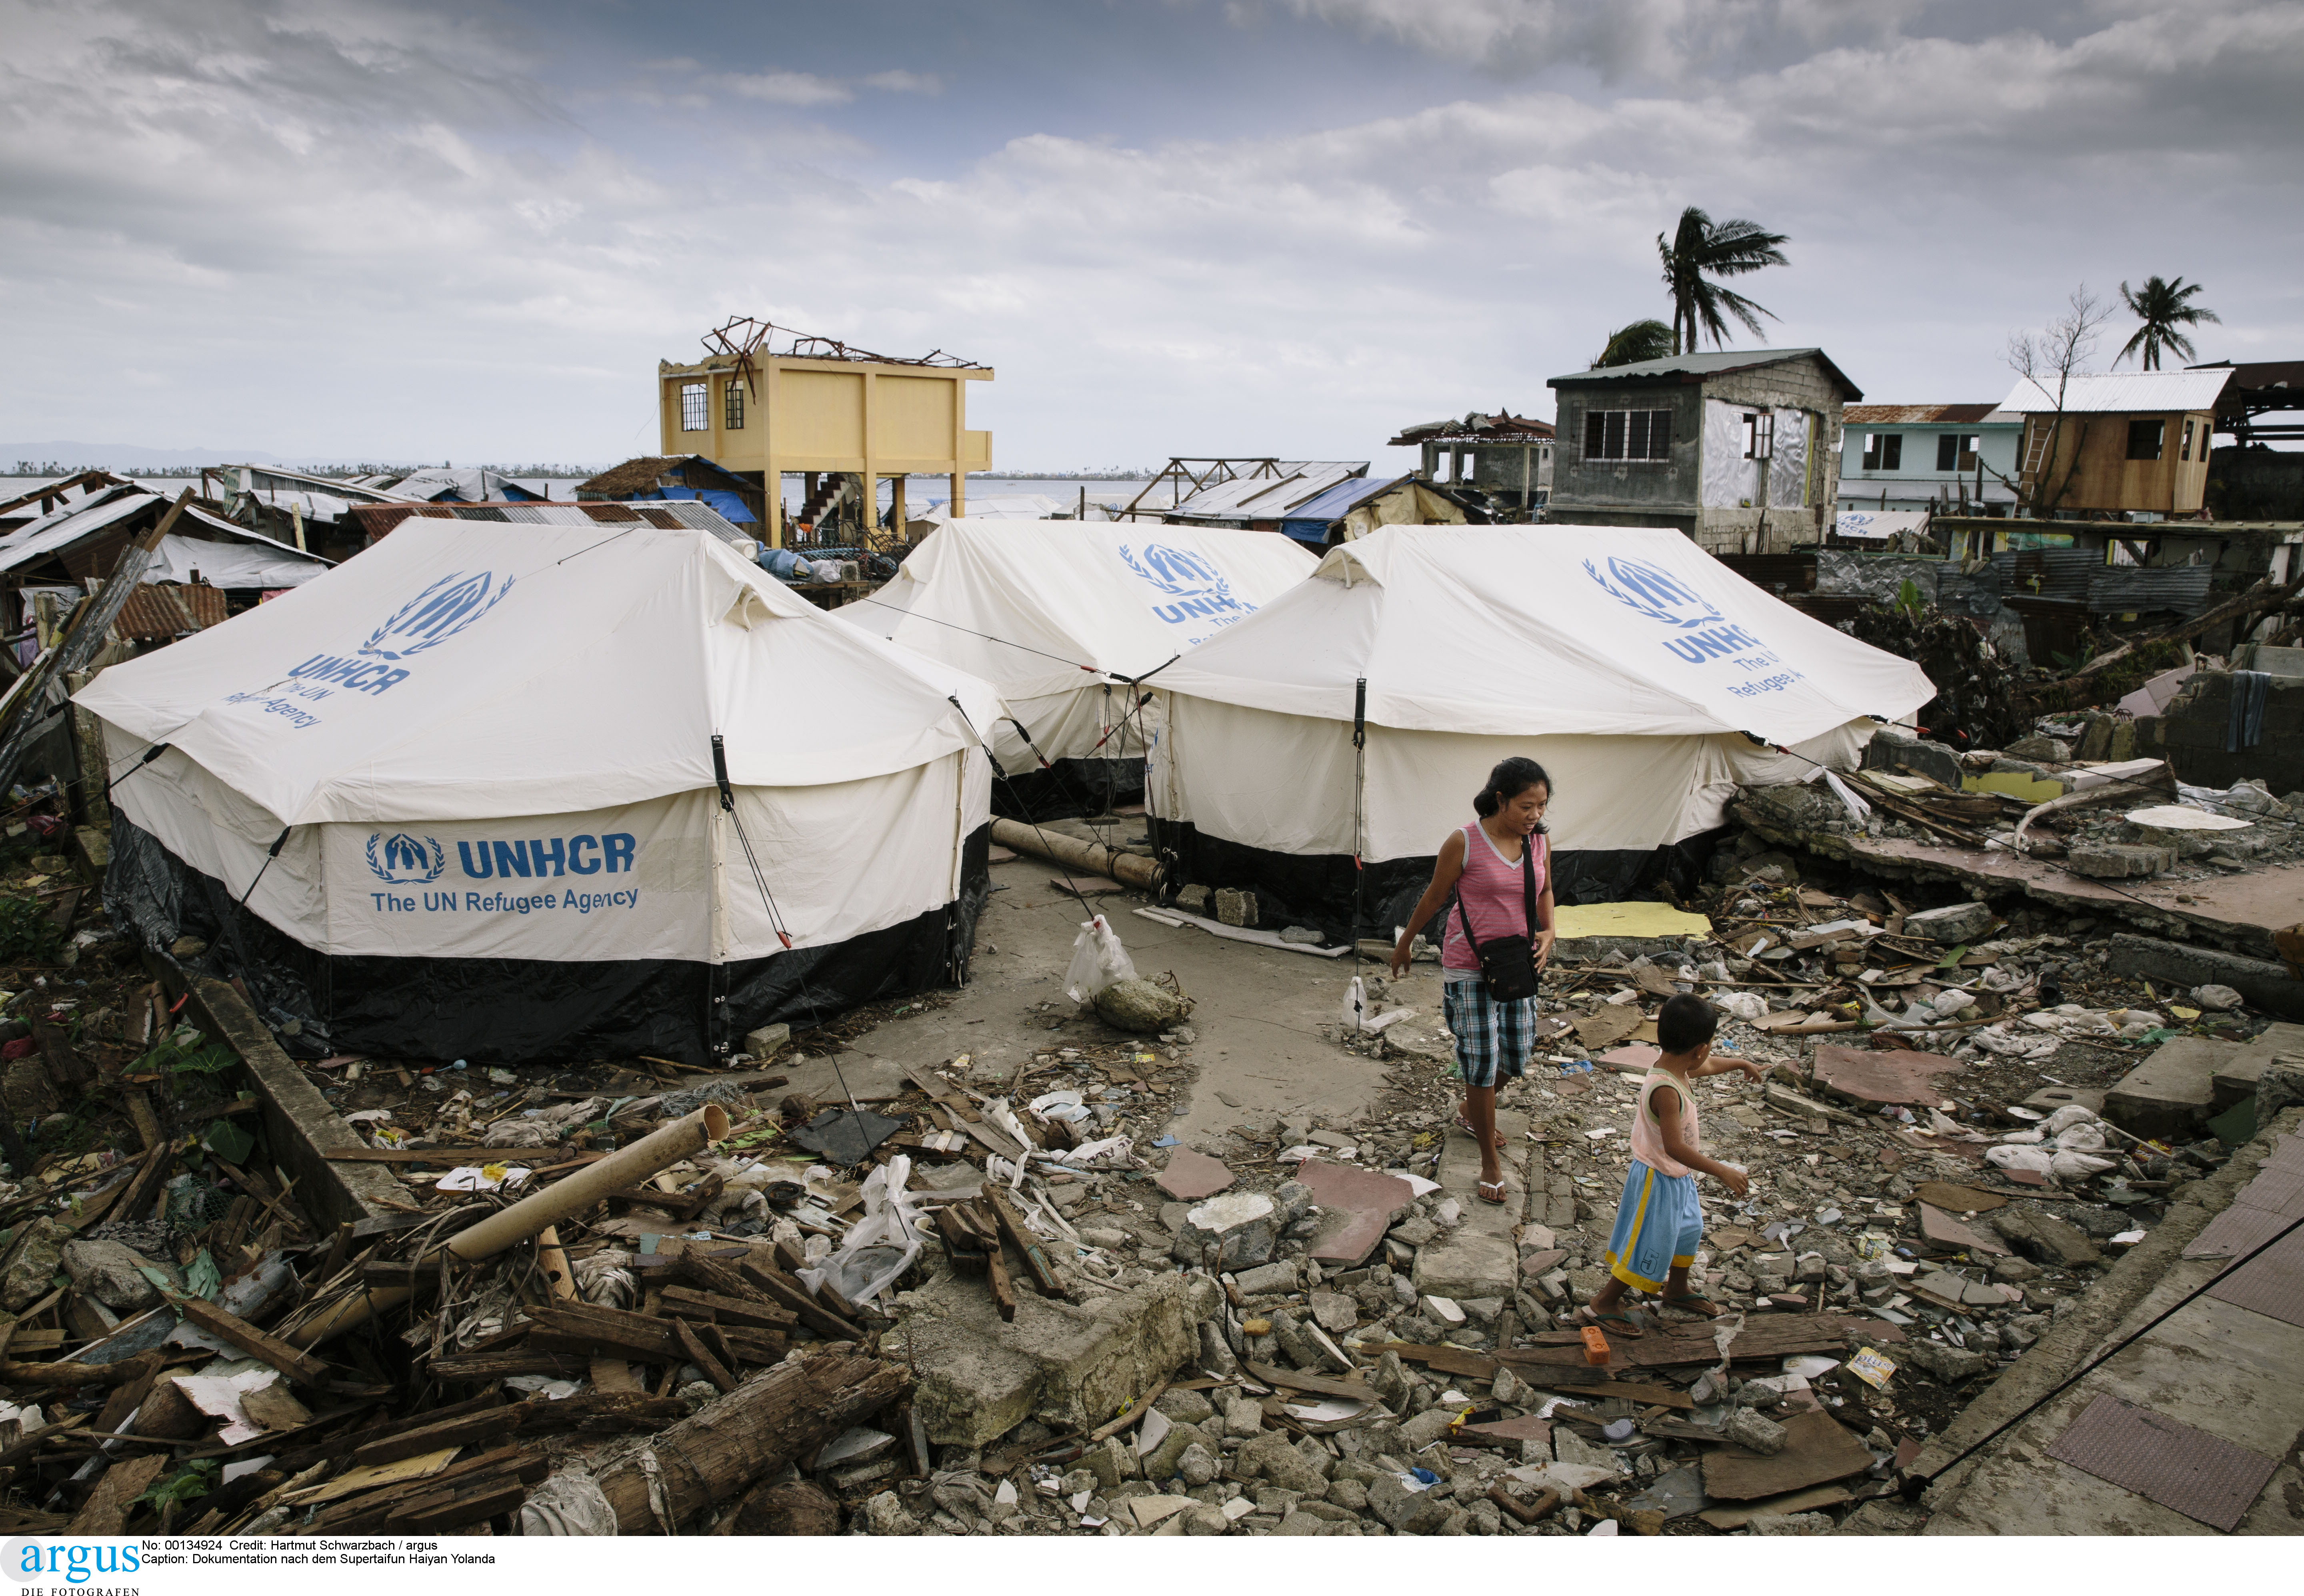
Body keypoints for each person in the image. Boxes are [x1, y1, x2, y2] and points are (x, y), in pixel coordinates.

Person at [1389, 757, 1555, 1206]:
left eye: (1541, 805)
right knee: (1481, 1061)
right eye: (1526, 805)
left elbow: (1544, 889)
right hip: (1470, 965)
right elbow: (1435, 897)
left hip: (1518, 963)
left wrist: (1549, 930)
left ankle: (1469, 1111)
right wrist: (1405, 943)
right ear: (1500, 799)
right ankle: (1489, 1162)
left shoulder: (1537, 841)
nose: (1535, 815)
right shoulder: (1464, 842)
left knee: (1518, 1054)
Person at [1578, 994, 1760, 1327]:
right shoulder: (1666, 1089)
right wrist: (1722, 1170)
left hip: (1677, 1176)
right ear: (1700, 1048)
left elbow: (1707, 1066)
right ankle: (1604, 1302)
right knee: (1650, 1239)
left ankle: (1677, 1287)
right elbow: (1675, 1147)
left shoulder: (1676, 1067)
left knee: (1689, 1229)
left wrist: (1742, 1064)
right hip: (1657, 1177)